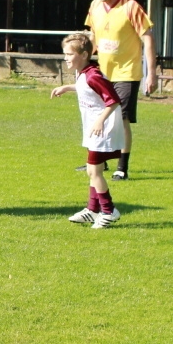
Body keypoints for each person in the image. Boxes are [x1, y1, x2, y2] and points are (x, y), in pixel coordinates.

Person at [83, 0, 155, 181]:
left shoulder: (131, 7)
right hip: (103, 73)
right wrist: (84, 62)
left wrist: (151, 73)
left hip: (126, 73)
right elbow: (93, 37)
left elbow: (148, 38)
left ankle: (122, 167)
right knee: (98, 115)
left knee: (120, 118)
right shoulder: (95, 6)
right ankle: (100, 161)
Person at [51, 33, 125, 229]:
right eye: (65, 54)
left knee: (93, 171)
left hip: (102, 129)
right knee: (94, 170)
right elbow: (86, 87)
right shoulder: (83, 73)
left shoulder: (94, 75)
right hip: (94, 129)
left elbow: (113, 100)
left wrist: (100, 121)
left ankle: (108, 211)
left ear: (84, 55)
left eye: (69, 54)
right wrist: (67, 87)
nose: (66, 58)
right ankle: (92, 210)